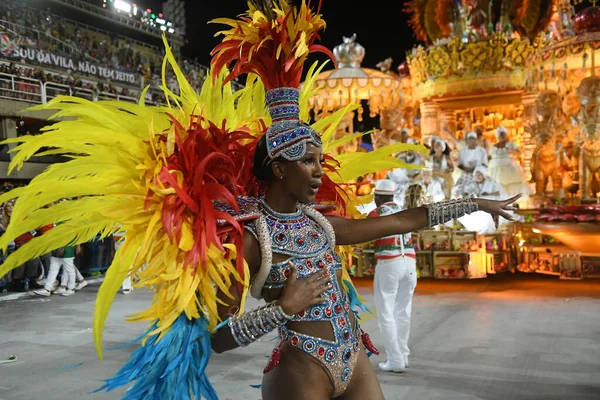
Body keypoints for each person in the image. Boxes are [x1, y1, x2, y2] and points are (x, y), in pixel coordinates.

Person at [0, 2, 521, 399]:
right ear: (279, 167)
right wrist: (283, 309)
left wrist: (474, 201)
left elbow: (401, 220)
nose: (322, 169)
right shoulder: (252, 239)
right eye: (309, 161)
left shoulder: (320, 224)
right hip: (301, 366)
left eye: (320, 159)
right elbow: (218, 338)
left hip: (354, 356)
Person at [368, 179, 418, 373]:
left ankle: (395, 359)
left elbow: (368, 236)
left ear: (378, 197)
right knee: (403, 311)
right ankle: (403, 355)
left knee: (386, 313)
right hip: (410, 263)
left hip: (389, 263)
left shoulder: (376, 213)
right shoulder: (405, 210)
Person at [458, 166, 511, 234]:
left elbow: (499, 193)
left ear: (483, 175)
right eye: (476, 175)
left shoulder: (491, 183)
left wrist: (489, 194)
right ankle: (476, 229)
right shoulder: (472, 184)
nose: (478, 177)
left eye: (480, 175)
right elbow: (466, 191)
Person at [488, 126, 531, 199]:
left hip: (509, 168)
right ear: (498, 136)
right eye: (500, 135)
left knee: (510, 187)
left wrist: (511, 151)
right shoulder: (493, 147)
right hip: (496, 170)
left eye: (503, 134)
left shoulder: (511, 144)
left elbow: (519, 153)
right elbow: (490, 156)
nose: (502, 136)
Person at [453, 131, 488, 198]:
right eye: (470, 138)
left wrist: (476, 169)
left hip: (478, 175)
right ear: (467, 140)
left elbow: (485, 164)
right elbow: (459, 164)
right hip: (465, 174)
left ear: (476, 140)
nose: (471, 140)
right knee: (459, 190)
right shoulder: (463, 150)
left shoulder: (481, 150)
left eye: (473, 138)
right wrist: (466, 169)